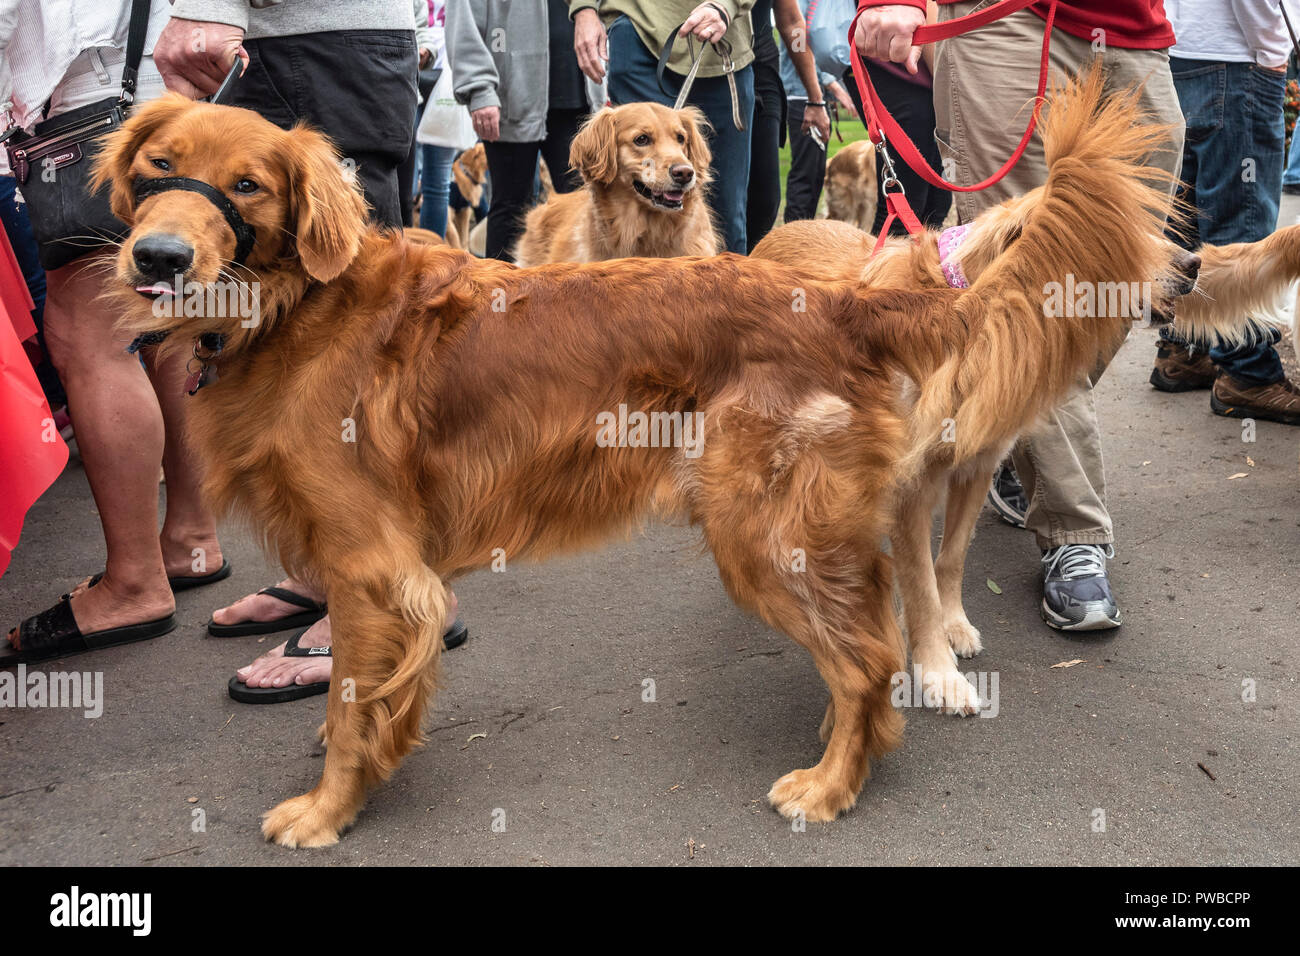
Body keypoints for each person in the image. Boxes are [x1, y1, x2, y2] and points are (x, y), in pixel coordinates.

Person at [153, 0, 466, 702]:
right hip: (318, 42)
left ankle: (385, 597)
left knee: (353, 330)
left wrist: (207, 5)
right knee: (299, 346)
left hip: (314, 40)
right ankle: (328, 573)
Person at [854, 0, 1186, 632]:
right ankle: (1072, 532)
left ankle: (1004, 428)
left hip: (1132, 29)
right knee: (1025, 294)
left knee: (1125, 268)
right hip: (1003, 21)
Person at [1, 0, 230, 665]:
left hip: (93, 97)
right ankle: (192, 539)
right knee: (165, 327)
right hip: (174, 91)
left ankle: (133, 583)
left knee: (88, 337)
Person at [1148, 0, 1300, 426]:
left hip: (1183, 50)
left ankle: (1186, 346)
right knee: (1241, 225)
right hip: (1237, 57)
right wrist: (1272, 51)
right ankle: (1246, 373)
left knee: (1187, 214)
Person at [572, 0, 756, 253]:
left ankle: (712, 289)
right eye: (642, 140)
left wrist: (725, 5)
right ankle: (622, 286)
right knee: (626, 194)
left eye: (680, 139)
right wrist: (584, 9)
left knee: (730, 213)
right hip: (637, 31)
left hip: (724, 42)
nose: (681, 166)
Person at [447, 0, 585, 261]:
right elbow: (463, 21)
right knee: (510, 207)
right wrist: (479, 88)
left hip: (579, 92)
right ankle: (499, 298)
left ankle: (579, 296)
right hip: (511, 95)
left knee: (584, 205)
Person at [747, 0, 831, 248]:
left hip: (760, 71)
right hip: (691, 64)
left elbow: (792, 23)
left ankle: (750, 269)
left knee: (765, 200)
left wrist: (816, 99)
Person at [779, 0, 852, 223]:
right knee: (806, 175)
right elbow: (799, 41)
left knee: (814, 175)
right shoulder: (800, 4)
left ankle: (803, 234)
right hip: (803, 98)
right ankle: (794, 238)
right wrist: (832, 84)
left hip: (813, 98)